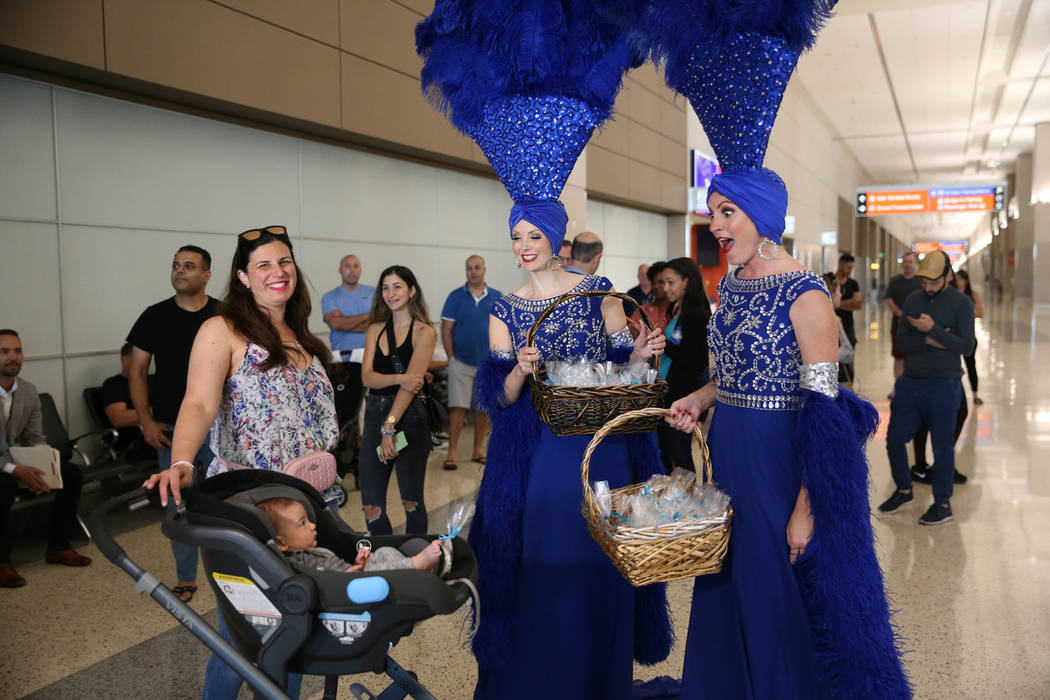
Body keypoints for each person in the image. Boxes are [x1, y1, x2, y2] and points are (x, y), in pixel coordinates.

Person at [665, 174, 907, 698]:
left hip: (779, 463)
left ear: (763, 217)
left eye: (728, 212)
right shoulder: (729, 284)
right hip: (729, 453)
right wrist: (702, 398)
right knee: (728, 575)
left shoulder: (806, 293)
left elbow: (826, 414)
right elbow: (731, 373)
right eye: (713, 213)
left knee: (778, 588)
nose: (716, 225)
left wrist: (807, 506)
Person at [144, 224, 339, 699]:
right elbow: (197, 404)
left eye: (285, 262)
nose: (278, 272)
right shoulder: (222, 330)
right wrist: (184, 461)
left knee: (294, 627)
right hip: (248, 509)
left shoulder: (304, 338)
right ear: (243, 277)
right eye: (264, 265)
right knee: (242, 634)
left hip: (310, 506)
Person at [127, 244, 218, 602]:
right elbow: (136, 370)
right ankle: (185, 578)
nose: (180, 271)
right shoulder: (154, 316)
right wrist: (145, 422)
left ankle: (234, 568)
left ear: (206, 275)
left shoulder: (224, 316)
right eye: (176, 265)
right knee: (177, 506)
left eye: (190, 266)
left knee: (228, 499)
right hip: (169, 427)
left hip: (220, 428)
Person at [879, 249, 975, 526]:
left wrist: (933, 329)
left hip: (945, 384)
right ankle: (904, 490)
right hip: (910, 381)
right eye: (924, 282)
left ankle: (942, 503)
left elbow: (967, 346)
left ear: (947, 275)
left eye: (933, 282)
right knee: (895, 438)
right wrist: (932, 339)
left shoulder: (961, 303)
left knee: (942, 447)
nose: (927, 287)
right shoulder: (913, 299)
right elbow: (902, 342)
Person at [0, 330, 92, 588]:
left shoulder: (28, 391)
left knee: (71, 473)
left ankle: (59, 547)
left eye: (17, 351)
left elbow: (36, 436)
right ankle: (2, 561)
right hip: (4, 468)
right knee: (4, 484)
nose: (13, 357)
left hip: (15, 461)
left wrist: (41, 468)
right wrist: (16, 471)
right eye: (4, 352)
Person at [358, 266, 437, 536]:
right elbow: (367, 378)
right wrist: (399, 378)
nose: (390, 293)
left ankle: (416, 560)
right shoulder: (375, 330)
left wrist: (389, 427)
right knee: (371, 505)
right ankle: (387, 558)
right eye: (385, 288)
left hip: (409, 418)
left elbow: (412, 386)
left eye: (397, 286)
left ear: (412, 290)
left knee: (410, 501)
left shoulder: (424, 332)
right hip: (373, 414)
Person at [256, 496, 443, 574]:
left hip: (354, 575)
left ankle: (416, 573)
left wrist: (358, 564)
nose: (313, 525)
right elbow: (323, 582)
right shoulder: (298, 563)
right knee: (374, 573)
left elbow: (340, 567)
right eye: (303, 523)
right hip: (349, 589)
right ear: (282, 543)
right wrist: (352, 573)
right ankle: (417, 564)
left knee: (384, 551)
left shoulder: (315, 550)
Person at [440, 255, 501, 471]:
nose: (473, 271)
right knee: (457, 408)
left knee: (482, 409)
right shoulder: (455, 297)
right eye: (469, 268)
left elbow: (502, 330)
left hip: (487, 364)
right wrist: (451, 358)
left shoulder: (496, 297)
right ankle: (452, 454)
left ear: (484, 270)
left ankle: (477, 450)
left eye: (476, 268)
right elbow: (446, 329)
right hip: (461, 362)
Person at [656, 257, 711, 472]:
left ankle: (688, 499)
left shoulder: (695, 314)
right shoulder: (677, 310)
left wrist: (662, 342)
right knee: (670, 451)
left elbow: (689, 357)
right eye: (664, 283)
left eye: (671, 282)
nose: (665, 288)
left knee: (680, 456)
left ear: (686, 282)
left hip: (685, 396)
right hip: (672, 392)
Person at [322, 254, 375, 470]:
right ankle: (348, 455)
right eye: (347, 266)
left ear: (360, 269)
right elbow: (335, 324)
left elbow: (377, 323)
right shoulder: (330, 296)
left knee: (366, 410)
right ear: (340, 269)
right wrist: (365, 317)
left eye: (355, 266)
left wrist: (345, 321)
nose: (351, 270)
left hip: (368, 355)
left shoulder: (372, 293)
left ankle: (366, 455)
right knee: (346, 410)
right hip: (341, 361)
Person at [98, 342, 153, 455]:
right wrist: (156, 413)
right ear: (125, 360)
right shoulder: (113, 385)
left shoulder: (153, 380)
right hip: (134, 438)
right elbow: (119, 418)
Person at [884, 252, 922, 387]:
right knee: (899, 357)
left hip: (918, 327)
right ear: (901, 264)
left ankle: (915, 387)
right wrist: (900, 314)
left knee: (917, 357)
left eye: (910, 261)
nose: (908, 264)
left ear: (916, 263)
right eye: (905, 262)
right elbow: (889, 299)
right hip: (898, 326)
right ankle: (899, 387)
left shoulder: (921, 281)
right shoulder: (895, 281)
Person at [821, 273, 857, 390]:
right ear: (832, 293)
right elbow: (848, 352)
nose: (841, 295)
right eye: (839, 291)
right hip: (837, 376)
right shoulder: (833, 319)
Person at [953, 269, 984, 404]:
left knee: (971, 365)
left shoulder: (973, 295)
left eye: (961, 279)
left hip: (968, 337)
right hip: (953, 337)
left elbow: (980, 313)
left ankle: (975, 394)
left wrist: (964, 316)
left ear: (966, 280)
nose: (958, 282)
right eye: (957, 279)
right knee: (953, 366)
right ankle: (954, 393)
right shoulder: (951, 295)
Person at [834, 252, 862, 383]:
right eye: (848, 267)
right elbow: (829, 304)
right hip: (833, 325)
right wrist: (849, 303)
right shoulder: (831, 281)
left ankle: (849, 383)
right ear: (840, 265)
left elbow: (858, 304)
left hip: (848, 325)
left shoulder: (853, 283)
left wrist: (839, 304)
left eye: (852, 268)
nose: (850, 270)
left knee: (849, 357)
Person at [629, 261, 670, 337]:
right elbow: (630, 333)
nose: (656, 286)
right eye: (653, 283)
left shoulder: (677, 310)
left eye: (661, 282)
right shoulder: (642, 310)